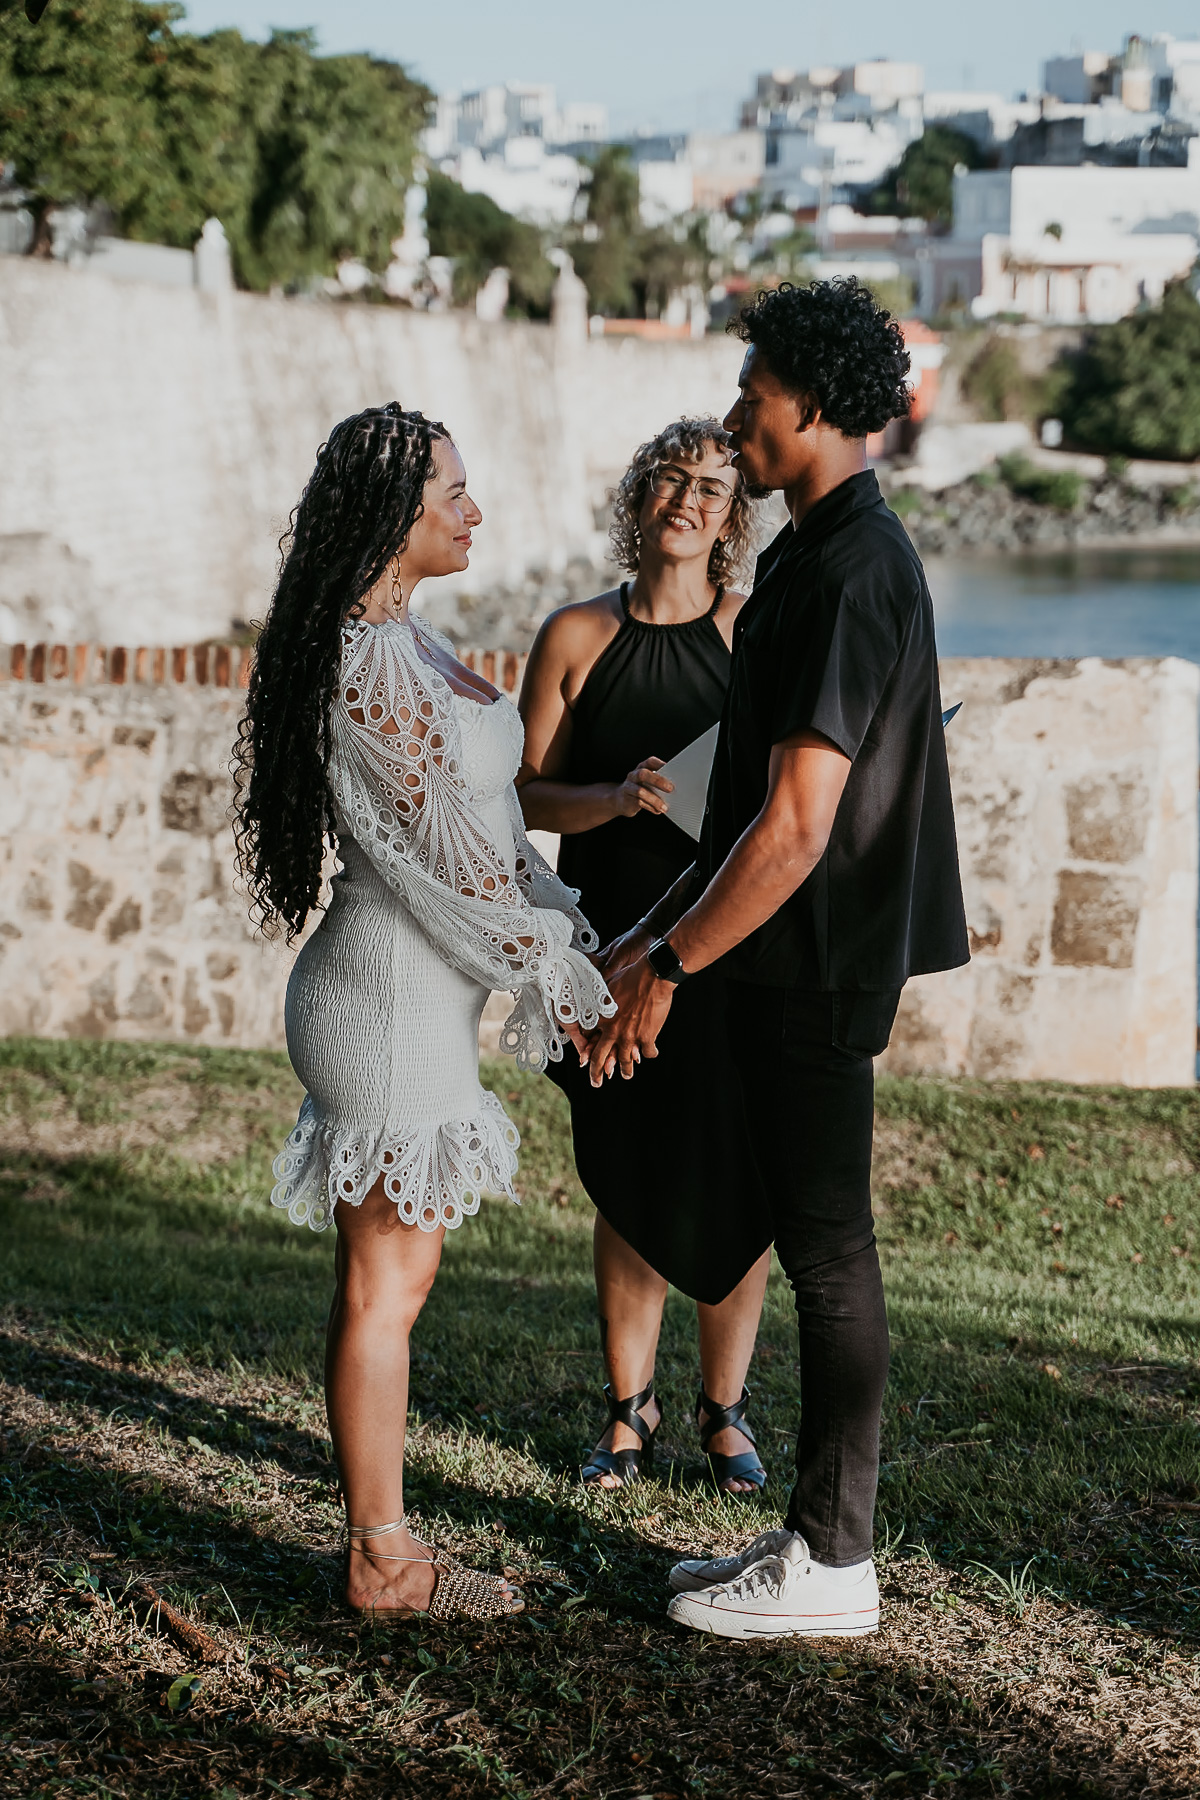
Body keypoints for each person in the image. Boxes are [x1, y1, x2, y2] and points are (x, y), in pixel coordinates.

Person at [585, 279, 970, 1639]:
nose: (737, 410)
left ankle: (835, 1564)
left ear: (810, 406)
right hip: (767, 952)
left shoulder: (865, 569)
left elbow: (800, 828)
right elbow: (740, 802)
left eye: (753, 390)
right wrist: (636, 943)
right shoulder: (808, 557)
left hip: (814, 965)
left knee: (830, 1255)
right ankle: (810, 1536)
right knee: (801, 1242)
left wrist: (669, 968)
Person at [233, 403, 613, 1624]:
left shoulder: (415, 641)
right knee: (382, 1289)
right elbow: (435, 873)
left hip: (421, 998)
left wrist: (571, 917)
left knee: (393, 1280)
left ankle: (378, 1541)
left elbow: (491, 838)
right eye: (451, 491)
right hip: (387, 999)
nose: (474, 510)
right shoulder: (366, 665)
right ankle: (381, 1562)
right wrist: (557, 964)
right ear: (390, 520)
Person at [517, 418, 773, 1496]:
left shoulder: (752, 632)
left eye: (715, 486)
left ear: (732, 518)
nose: (692, 499)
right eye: (674, 478)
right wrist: (618, 796)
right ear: (642, 495)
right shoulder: (575, 632)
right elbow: (522, 792)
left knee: (735, 1175)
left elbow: (780, 799)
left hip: (719, 947)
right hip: (600, 941)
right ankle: (628, 1414)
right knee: (625, 1176)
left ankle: (725, 1414)